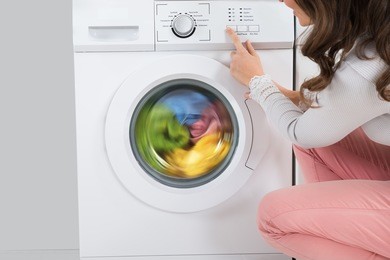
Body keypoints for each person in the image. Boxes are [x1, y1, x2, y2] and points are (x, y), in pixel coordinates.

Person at [226, 0, 390, 259]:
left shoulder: (366, 69)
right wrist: (291, 96)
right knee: (321, 142)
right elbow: (339, 108)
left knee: (273, 218)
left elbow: (299, 130)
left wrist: (258, 82)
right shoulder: (380, 36)